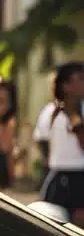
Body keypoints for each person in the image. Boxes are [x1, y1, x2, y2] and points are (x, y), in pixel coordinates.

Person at [40, 61, 84, 226]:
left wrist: (77, 122)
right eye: (80, 78)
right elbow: (43, 142)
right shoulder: (50, 112)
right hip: (58, 180)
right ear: (66, 86)